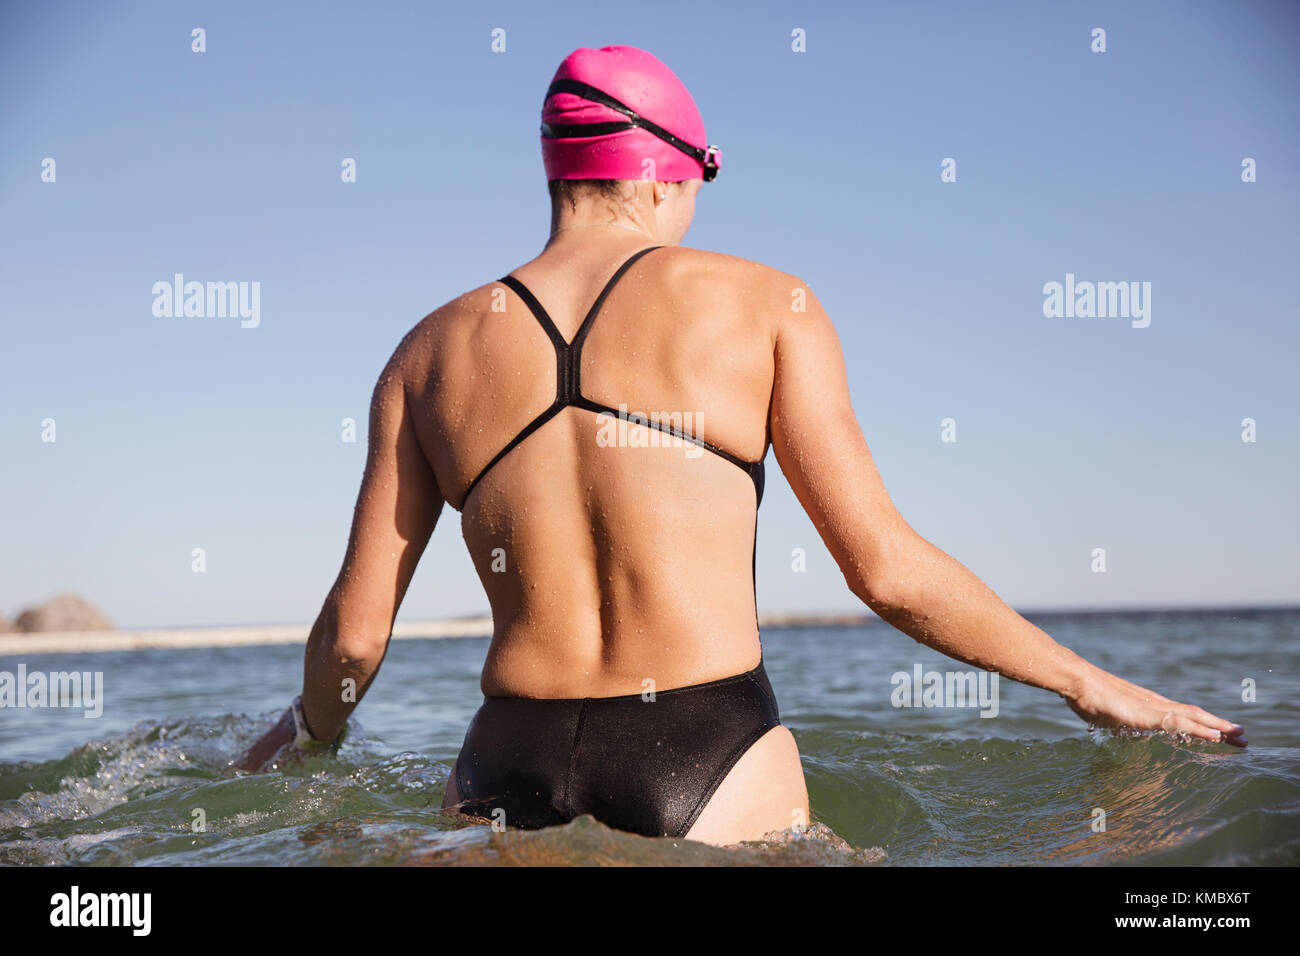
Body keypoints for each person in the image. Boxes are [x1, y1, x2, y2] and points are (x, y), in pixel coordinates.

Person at [236, 45, 1246, 846]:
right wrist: (1088, 680)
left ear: (558, 169)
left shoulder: (428, 350)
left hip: (502, 760)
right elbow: (884, 570)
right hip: (707, 748)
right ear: (674, 173)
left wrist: (307, 733)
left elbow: (358, 636)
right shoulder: (767, 304)